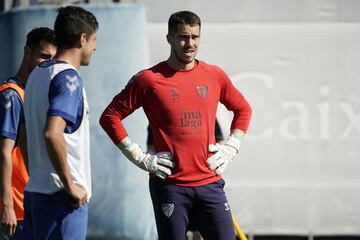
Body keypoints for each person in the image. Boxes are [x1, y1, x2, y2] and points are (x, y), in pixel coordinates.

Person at [100, 10, 252, 240]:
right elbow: (110, 116)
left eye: (195, 37)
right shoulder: (149, 80)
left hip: (210, 184)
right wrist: (139, 157)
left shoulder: (214, 75)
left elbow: (243, 109)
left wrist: (232, 147)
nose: (189, 44)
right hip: (169, 186)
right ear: (169, 38)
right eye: (183, 37)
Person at [22, 6, 98, 239]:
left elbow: (24, 133)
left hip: (36, 192)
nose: (95, 47)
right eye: (94, 39)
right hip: (62, 199)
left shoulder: (37, 74)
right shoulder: (68, 77)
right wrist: (69, 184)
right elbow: (52, 133)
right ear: (82, 38)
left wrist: (36, 174)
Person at [0, 27, 56, 240]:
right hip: (16, 211)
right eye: (43, 56)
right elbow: (4, 153)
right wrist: (7, 207)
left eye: (51, 59)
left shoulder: (29, 94)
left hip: (30, 204)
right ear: (27, 52)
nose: (46, 63)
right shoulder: (11, 96)